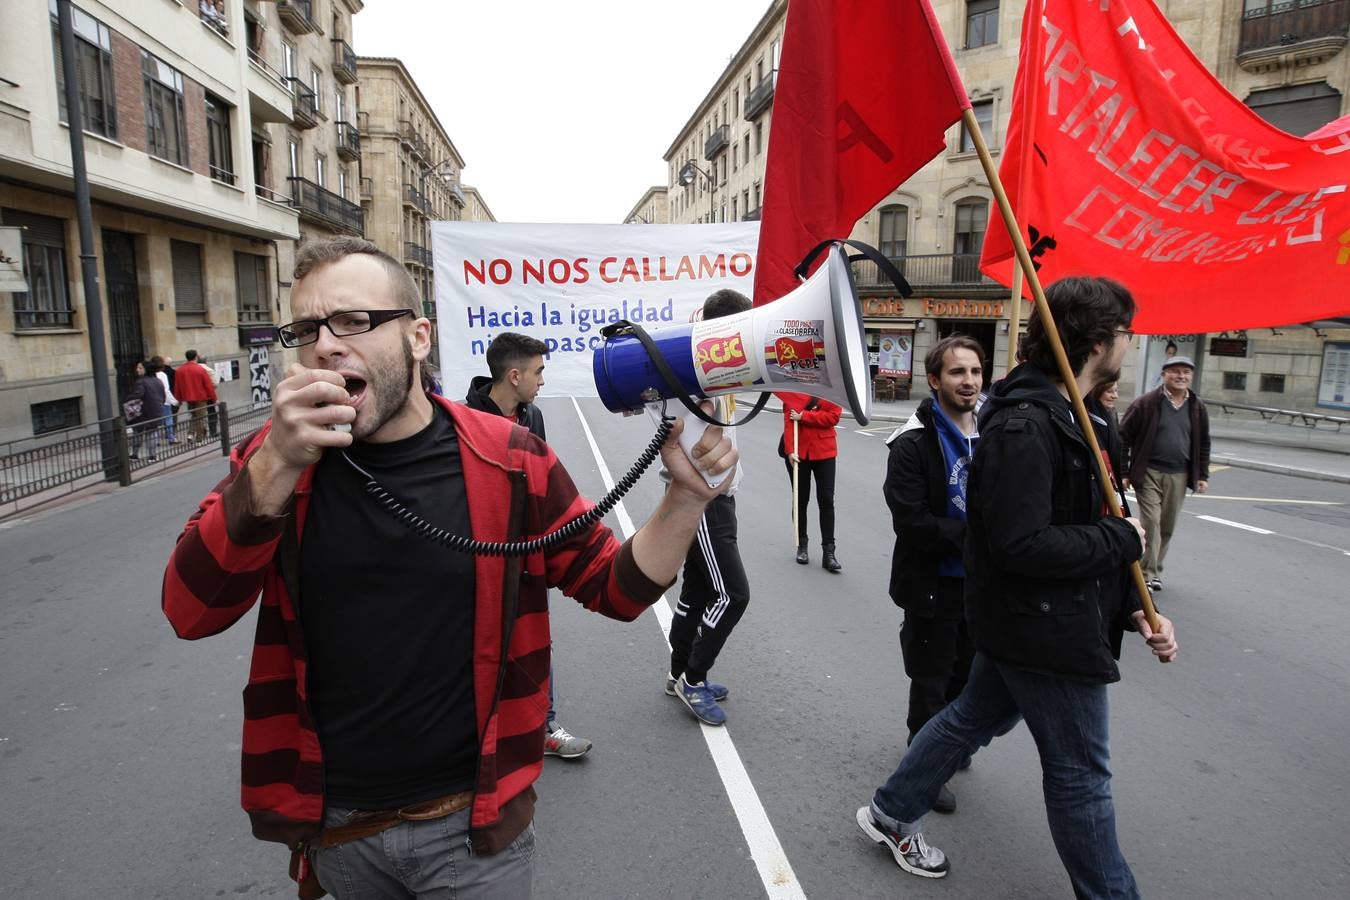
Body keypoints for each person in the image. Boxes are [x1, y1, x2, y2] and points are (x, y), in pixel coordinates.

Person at [162, 237, 736, 900]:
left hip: (474, 831)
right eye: (307, 329)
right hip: (339, 832)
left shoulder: (510, 458)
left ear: (417, 337)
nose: (324, 345)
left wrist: (686, 497)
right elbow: (190, 610)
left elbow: (616, 588)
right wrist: (274, 467)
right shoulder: (275, 461)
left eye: (352, 321)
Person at [857, 276, 1178, 897]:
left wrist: (1138, 608)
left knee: (970, 719)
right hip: (1044, 631)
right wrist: (1124, 542)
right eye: (1123, 334)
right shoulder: (1026, 427)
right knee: (1082, 776)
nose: (1127, 345)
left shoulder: (1077, 418)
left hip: (1041, 621)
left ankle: (891, 812)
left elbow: (1084, 525)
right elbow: (1020, 544)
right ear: (1095, 341)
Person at [464, 331, 592, 760]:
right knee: (477, 645)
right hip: (479, 559)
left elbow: (539, 479)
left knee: (534, 639)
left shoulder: (532, 417)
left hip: (525, 555)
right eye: (538, 372)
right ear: (514, 375)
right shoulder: (464, 420)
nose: (542, 381)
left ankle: (544, 724)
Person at [883, 335, 983, 815]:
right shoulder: (911, 443)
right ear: (934, 380)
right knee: (931, 679)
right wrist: (977, 537)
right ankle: (925, 765)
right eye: (957, 373)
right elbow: (912, 521)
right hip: (932, 583)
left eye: (975, 372)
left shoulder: (996, 433)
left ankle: (948, 741)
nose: (968, 382)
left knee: (967, 673)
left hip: (980, 585)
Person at [665, 289, 753, 727]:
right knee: (732, 594)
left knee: (697, 593)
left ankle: (679, 670)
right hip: (706, 502)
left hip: (719, 498)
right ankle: (692, 678)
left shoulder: (719, 365)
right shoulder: (700, 366)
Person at [1119, 356, 1210, 593]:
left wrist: (1202, 476)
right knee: (1151, 523)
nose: (1181, 376)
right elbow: (1123, 437)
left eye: (1186, 372)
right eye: (1175, 372)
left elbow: (1204, 443)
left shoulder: (1197, 407)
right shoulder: (1147, 403)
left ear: (1192, 376)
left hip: (1179, 474)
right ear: (1164, 375)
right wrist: (1124, 471)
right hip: (1148, 471)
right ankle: (1145, 575)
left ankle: (1155, 568)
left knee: (1167, 526)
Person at [778, 391, 843, 572]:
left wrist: (804, 416)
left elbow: (833, 416)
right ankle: (802, 545)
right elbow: (789, 421)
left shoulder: (831, 389)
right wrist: (790, 450)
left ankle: (829, 552)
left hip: (825, 452)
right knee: (800, 499)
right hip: (799, 451)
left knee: (826, 500)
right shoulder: (795, 389)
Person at [126, 359, 166, 460]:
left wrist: (128, 399)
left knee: (138, 432)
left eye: (140, 368)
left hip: (143, 411)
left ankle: (135, 454)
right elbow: (163, 395)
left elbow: (138, 395)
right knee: (152, 432)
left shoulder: (141, 382)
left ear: (146, 369)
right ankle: (152, 456)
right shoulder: (158, 380)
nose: (137, 370)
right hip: (156, 410)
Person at [175, 349, 217, 443]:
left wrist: (179, 399)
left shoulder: (179, 370)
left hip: (188, 398)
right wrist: (214, 398)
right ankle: (199, 438)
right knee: (200, 417)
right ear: (195, 357)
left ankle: (190, 435)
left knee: (193, 416)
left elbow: (177, 386)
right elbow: (208, 386)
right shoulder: (200, 369)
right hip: (200, 397)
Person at [152, 355, 179, 444]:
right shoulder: (162, 375)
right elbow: (166, 390)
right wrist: (174, 401)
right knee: (168, 419)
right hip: (164, 401)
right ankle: (171, 437)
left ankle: (156, 441)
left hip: (153, 402)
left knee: (156, 422)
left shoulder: (150, 375)